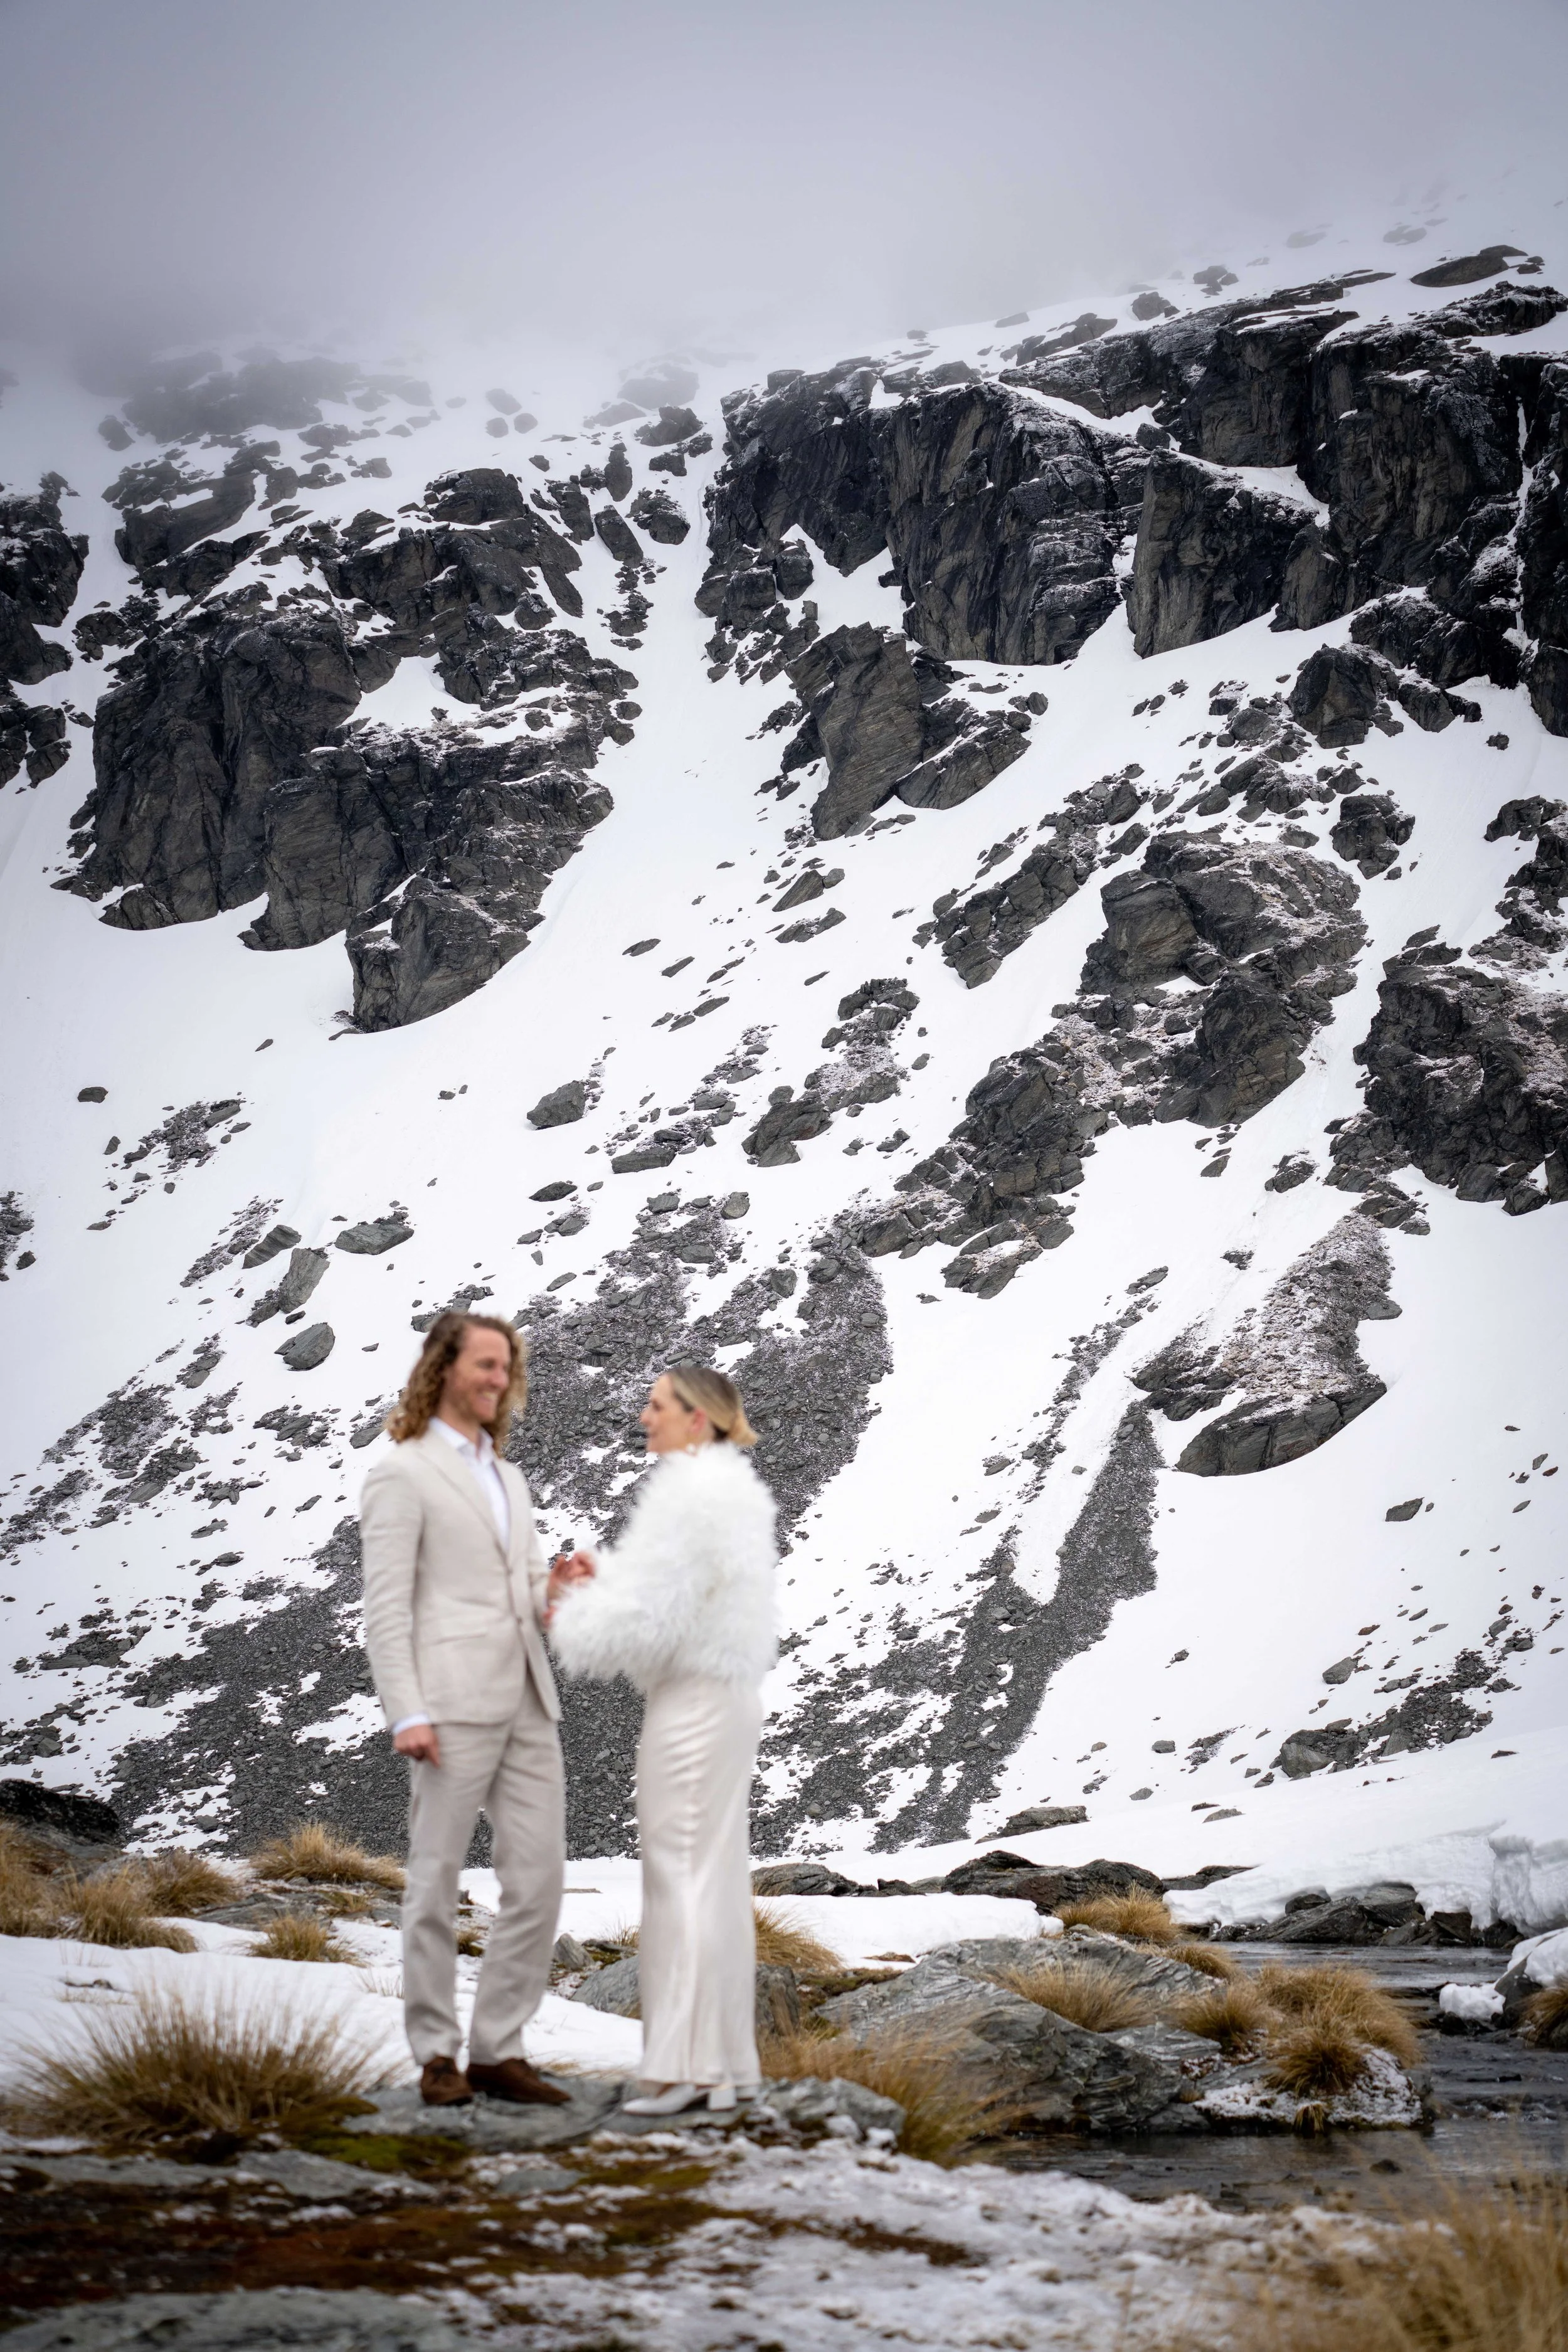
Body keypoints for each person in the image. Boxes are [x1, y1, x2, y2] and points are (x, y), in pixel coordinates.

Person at [548, 1363, 777, 2116]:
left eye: (656, 1406)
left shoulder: (690, 1494)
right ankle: (727, 2068)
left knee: (677, 1879)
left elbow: (650, 1624)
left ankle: (683, 2071)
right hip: (724, 1697)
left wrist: (570, 1609)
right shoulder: (730, 1491)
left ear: (696, 1418)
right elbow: (679, 1600)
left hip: (693, 1705)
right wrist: (608, 1580)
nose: (644, 1417)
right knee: (714, 1881)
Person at [359, 1312, 568, 2109]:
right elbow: (386, 1608)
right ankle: (436, 2055)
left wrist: (556, 1588)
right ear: (444, 1368)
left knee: (539, 1881)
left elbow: (525, 1590)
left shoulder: (508, 1477)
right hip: (446, 1706)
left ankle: (497, 2050)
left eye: (506, 1366)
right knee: (435, 1881)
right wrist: (405, 1711)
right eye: (485, 1363)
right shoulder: (402, 1473)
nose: (498, 1379)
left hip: (528, 1700)